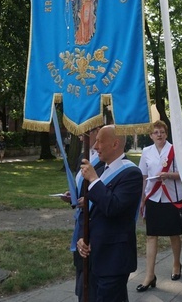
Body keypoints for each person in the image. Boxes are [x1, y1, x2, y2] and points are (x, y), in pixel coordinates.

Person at [76, 125, 141, 302]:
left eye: (100, 141)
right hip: (91, 256)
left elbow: (113, 207)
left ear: (115, 144)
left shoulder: (131, 174)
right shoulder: (100, 171)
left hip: (113, 259)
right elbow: (87, 211)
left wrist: (93, 180)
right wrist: (82, 237)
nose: (95, 146)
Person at [138, 120, 182, 291]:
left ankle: (176, 264)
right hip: (153, 197)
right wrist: (142, 199)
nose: (159, 135)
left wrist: (168, 175)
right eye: (155, 132)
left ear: (166, 134)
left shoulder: (174, 150)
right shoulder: (146, 152)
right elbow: (143, 176)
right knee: (151, 235)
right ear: (150, 135)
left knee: (174, 234)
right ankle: (150, 275)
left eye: (162, 132)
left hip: (171, 197)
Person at [61, 128, 103, 302]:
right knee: (81, 270)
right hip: (81, 221)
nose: (79, 136)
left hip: (95, 223)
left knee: (92, 276)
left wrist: (89, 201)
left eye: (83, 131)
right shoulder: (83, 157)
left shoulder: (104, 160)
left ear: (96, 131)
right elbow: (82, 187)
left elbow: (105, 192)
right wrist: (73, 195)